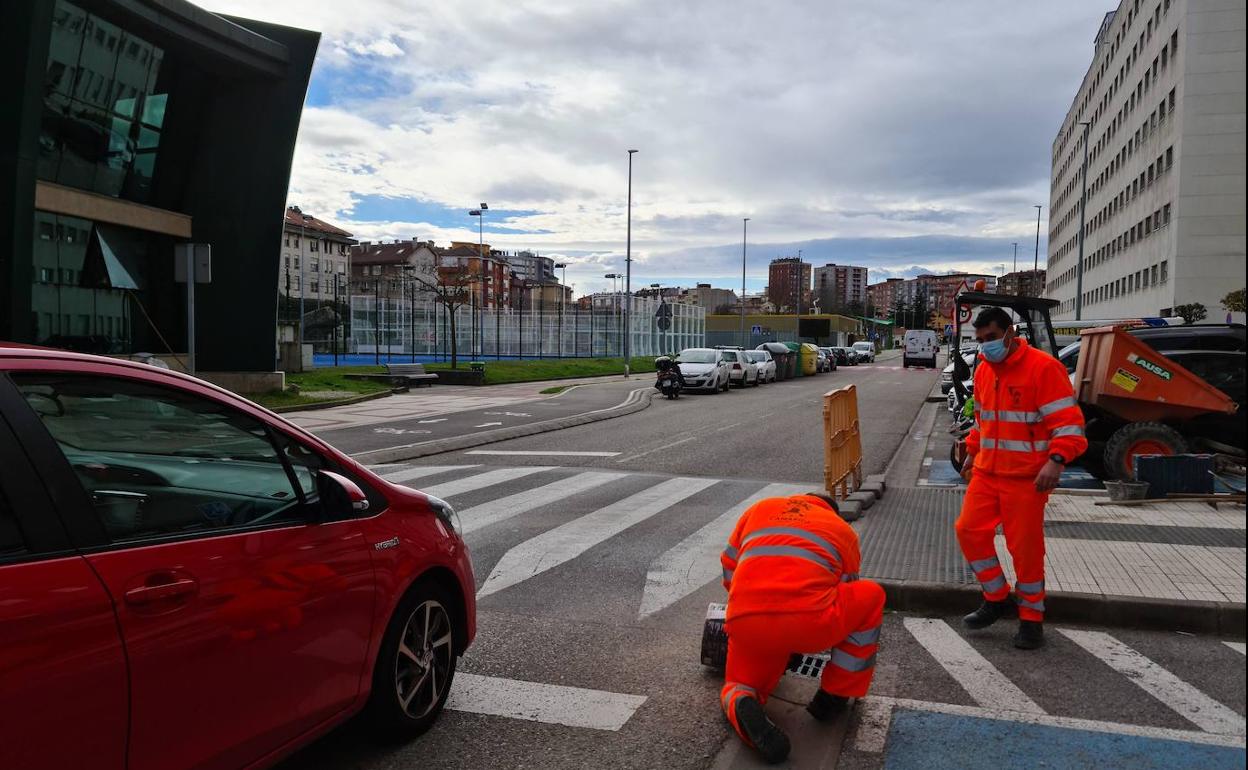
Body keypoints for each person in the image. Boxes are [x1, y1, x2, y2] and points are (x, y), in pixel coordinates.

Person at [718, 492, 885, 764]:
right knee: (870, 596)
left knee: (738, 683)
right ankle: (834, 695)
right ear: (832, 511)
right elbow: (846, 586)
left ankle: (741, 701)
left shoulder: (760, 508)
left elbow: (728, 568)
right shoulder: (842, 530)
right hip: (810, 624)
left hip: (746, 620)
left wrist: (750, 607)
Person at [956, 307, 1087, 650]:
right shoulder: (985, 370)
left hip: (1026, 478)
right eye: (980, 340)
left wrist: (1056, 460)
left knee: (1025, 550)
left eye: (992, 338)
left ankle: (1031, 620)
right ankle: (997, 597)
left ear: (1010, 333)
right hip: (988, 471)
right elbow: (983, 419)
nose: (986, 346)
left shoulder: (1044, 369)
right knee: (968, 531)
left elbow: (1068, 424)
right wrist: (971, 451)